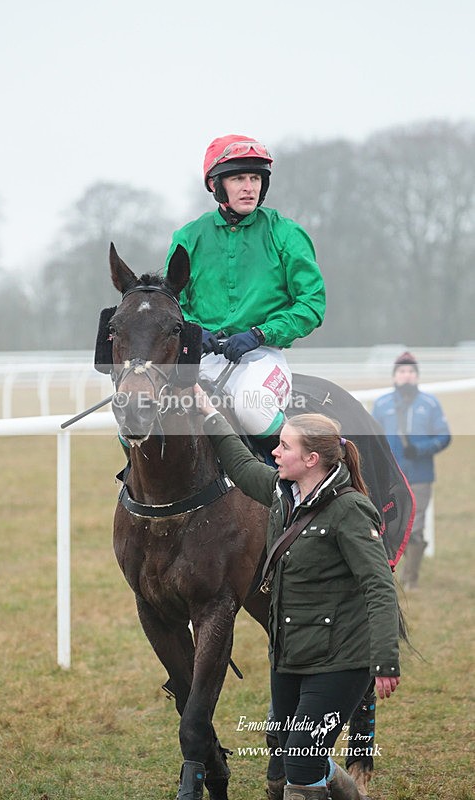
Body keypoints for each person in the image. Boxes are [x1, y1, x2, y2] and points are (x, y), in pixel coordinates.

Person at [194, 385, 401, 800]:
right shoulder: (281, 492)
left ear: (311, 460)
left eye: (284, 446)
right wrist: (207, 411)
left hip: (340, 660)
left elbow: (379, 586)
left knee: (303, 763)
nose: (274, 451)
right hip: (289, 654)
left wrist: (385, 661)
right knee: (293, 756)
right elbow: (238, 462)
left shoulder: (351, 510)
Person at [164, 134, 325, 454]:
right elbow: (172, 302)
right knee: (149, 410)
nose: (249, 187)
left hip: (261, 356)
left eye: (255, 178)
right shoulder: (188, 237)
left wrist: (260, 333)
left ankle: (291, 484)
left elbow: (312, 302)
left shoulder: (286, 233)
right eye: (238, 178)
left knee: (253, 410)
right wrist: (196, 331)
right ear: (215, 185)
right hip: (201, 356)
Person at [372, 351, 451, 590]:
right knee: (386, 527)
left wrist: (420, 449)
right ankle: (387, 577)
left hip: (419, 477)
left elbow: (444, 436)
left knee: (415, 529)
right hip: (389, 479)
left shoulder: (430, 404)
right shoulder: (382, 404)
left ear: (416, 376)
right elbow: (373, 439)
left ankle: (410, 580)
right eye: (402, 372)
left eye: (410, 372)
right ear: (395, 376)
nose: (406, 376)